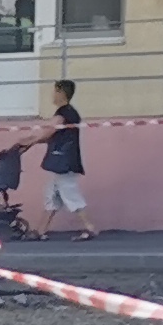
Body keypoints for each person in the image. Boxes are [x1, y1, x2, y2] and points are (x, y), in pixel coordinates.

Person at [39, 80, 93, 240]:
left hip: (64, 163)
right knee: (51, 195)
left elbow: (48, 132)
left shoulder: (64, 113)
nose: (53, 94)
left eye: (55, 91)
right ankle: (41, 231)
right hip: (63, 162)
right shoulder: (69, 113)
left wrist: (28, 141)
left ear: (61, 93)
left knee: (70, 194)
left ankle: (89, 227)